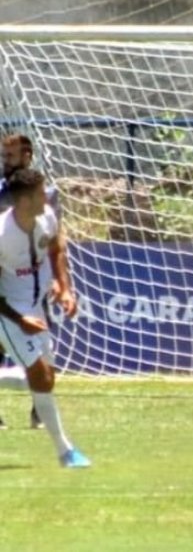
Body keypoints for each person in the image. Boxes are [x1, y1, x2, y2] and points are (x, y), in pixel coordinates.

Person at [0, 168, 90, 467]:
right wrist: (19, 319)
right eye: (40, 193)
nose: (46, 197)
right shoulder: (2, 235)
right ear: (25, 201)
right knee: (40, 376)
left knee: (46, 380)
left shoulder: (46, 216)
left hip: (37, 308)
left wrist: (64, 287)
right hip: (9, 312)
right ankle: (66, 452)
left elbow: (56, 247)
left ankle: (66, 453)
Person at [0, 133, 56, 429]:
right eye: (3, 155)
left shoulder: (45, 194)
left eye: (10, 155)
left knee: (44, 357)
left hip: (33, 284)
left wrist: (59, 281)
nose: (5, 161)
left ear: (27, 155)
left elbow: (55, 240)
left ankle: (38, 412)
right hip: (6, 279)